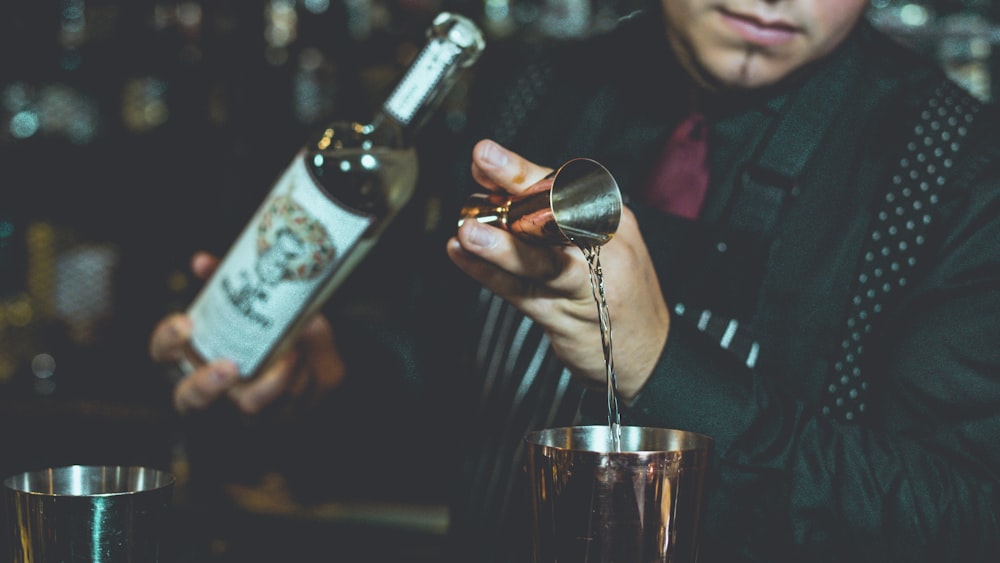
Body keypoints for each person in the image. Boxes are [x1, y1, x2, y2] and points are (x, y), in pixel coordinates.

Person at [149, 0, 1000, 561]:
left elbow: (960, 511)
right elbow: (444, 380)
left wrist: (664, 368)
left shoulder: (954, 168)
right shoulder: (535, 90)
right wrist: (326, 376)